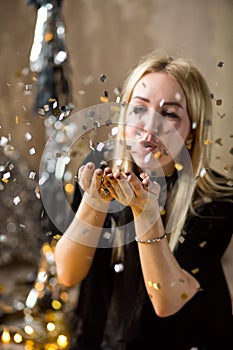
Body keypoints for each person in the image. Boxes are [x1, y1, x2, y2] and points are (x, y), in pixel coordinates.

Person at [54, 51, 233, 349]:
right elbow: (68, 274)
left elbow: (167, 301)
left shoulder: (215, 199)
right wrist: (93, 203)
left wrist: (146, 212)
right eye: (139, 109)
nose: (149, 125)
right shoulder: (101, 174)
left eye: (170, 113)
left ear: (192, 131)